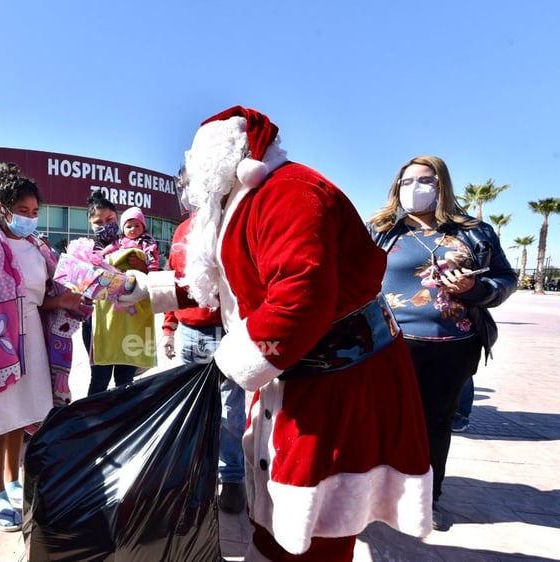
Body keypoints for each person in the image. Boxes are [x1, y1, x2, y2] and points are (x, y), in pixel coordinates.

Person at [119, 106, 433, 561]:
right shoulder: (241, 202)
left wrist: (229, 361)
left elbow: (298, 303)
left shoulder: (288, 194)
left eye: (194, 166)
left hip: (339, 379)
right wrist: (144, 289)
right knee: (285, 505)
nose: (187, 179)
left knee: (321, 514)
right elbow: (227, 285)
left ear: (223, 161)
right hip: (302, 372)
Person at [368, 155, 517, 529]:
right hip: (390, 344)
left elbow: (505, 279)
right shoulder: (382, 229)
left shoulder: (475, 231)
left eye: (424, 180)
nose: (413, 188)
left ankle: (426, 500)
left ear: (442, 185)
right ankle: (376, 496)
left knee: (435, 424)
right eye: (406, 181)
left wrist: (475, 288)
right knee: (383, 421)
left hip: (454, 344)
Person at [0, 163, 84, 532]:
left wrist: (67, 301)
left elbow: (41, 299)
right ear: (2, 207)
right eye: (22, 211)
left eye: (34, 212)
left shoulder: (36, 246)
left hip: (33, 340)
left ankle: (13, 480)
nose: (29, 218)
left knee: (21, 414)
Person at [160, 214, 246, 514]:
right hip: (187, 333)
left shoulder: (235, 219)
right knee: (189, 407)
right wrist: (169, 329)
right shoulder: (182, 229)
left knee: (231, 409)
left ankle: (231, 476)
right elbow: (173, 282)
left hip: (225, 332)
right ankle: (192, 473)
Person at [83, 191, 154, 394]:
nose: (105, 225)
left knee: (125, 382)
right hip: (99, 325)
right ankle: (94, 424)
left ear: (118, 218)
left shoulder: (136, 245)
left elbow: (151, 280)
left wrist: (143, 267)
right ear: (90, 224)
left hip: (128, 324)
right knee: (99, 380)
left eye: (110, 219)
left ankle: (123, 424)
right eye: (98, 222)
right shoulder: (86, 250)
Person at [104, 206, 161, 272]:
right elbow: (112, 246)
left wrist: (152, 270)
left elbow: (152, 255)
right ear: (123, 230)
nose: (133, 229)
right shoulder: (121, 240)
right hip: (121, 270)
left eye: (137, 226)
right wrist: (103, 252)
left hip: (139, 271)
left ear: (143, 227)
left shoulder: (146, 240)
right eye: (129, 227)